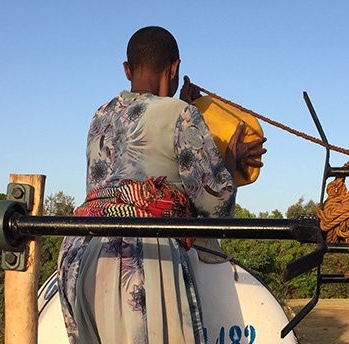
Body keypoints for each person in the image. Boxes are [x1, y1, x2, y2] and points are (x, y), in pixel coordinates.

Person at [57, 26, 266, 344]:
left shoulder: (100, 116)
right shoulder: (183, 114)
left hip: (79, 256)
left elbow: (108, 185)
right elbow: (215, 205)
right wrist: (229, 164)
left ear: (127, 70)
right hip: (142, 256)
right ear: (175, 68)